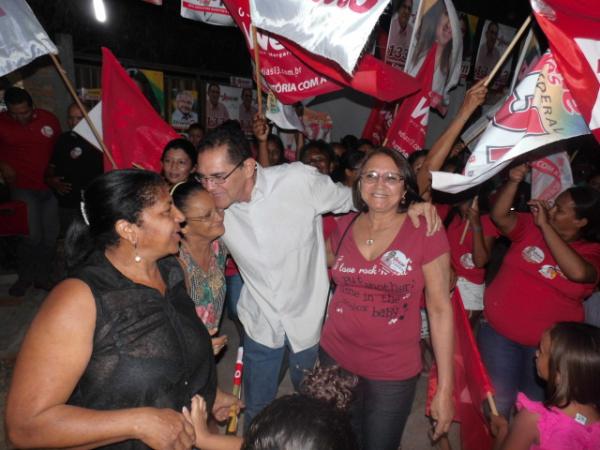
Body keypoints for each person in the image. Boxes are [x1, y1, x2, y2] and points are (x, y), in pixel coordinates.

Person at [195, 126, 441, 428]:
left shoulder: (297, 181)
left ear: (248, 166)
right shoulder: (212, 210)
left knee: (317, 409)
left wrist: (408, 205)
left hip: (308, 326)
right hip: (261, 324)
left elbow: (356, 199)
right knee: (255, 409)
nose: (209, 186)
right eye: (203, 177)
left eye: (218, 176)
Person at [5, 169, 240, 449]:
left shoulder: (173, 271)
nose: (180, 217)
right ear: (128, 230)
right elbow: (25, 427)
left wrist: (210, 391)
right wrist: (138, 423)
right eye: (167, 211)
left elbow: (172, 359)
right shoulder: (79, 299)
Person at [319, 147, 454, 449]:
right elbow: (317, 259)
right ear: (359, 184)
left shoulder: (424, 229)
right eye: (371, 176)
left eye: (391, 177)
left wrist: (444, 387)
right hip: (334, 357)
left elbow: (440, 309)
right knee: (338, 440)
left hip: (391, 370)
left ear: (405, 187)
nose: (380, 184)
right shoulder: (343, 226)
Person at [480, 164, 600, 419]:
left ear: (581, 221)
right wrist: (513, 181)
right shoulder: (531, 226)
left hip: (551, 349)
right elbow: (499, 216)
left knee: (532, 412)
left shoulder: (592, 252)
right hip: (500, 333)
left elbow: (578, 273)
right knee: (497, 404)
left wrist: (545, 227)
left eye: (560, 209)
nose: (551, 209)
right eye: (554, 203)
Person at [497, 322, 600, 449]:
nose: (536, 354)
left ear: (558, 375)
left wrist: (502, 431)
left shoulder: (532, 421)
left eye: (541, 351)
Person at [0, 86, 61, 295]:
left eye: (24, 112)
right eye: (14, 114)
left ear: (32, 106)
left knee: (50, 237)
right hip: (23, 187)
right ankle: (25, 277)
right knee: (31, 237)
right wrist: (2, 163)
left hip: (50, 188)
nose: (20, 118)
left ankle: (43, 277)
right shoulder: (1, 122)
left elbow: (59, 150)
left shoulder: (49, 120)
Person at [171, 181, 228, 355]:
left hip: (208, 347)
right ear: (183, 225)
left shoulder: (219, 247)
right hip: (182, 353)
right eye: (207, 216)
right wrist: (198, 347)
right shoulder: (175, 265)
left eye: (217, 209)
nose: (219, 218)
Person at [45, 102, 103, 236]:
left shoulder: (101, 141)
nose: (73, 122)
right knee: (71, 240)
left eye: (79, 118)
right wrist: (50, 179)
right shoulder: (63, 139)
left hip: (93, 203)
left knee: (93, 240)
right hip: (67, 203)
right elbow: (51, 166)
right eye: (70, 118)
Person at [386, 0, 414, 70]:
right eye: (404, 7)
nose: (406, 11)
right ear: (398, 9)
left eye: (409, 9)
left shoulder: (413, 34)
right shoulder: (389, 27)